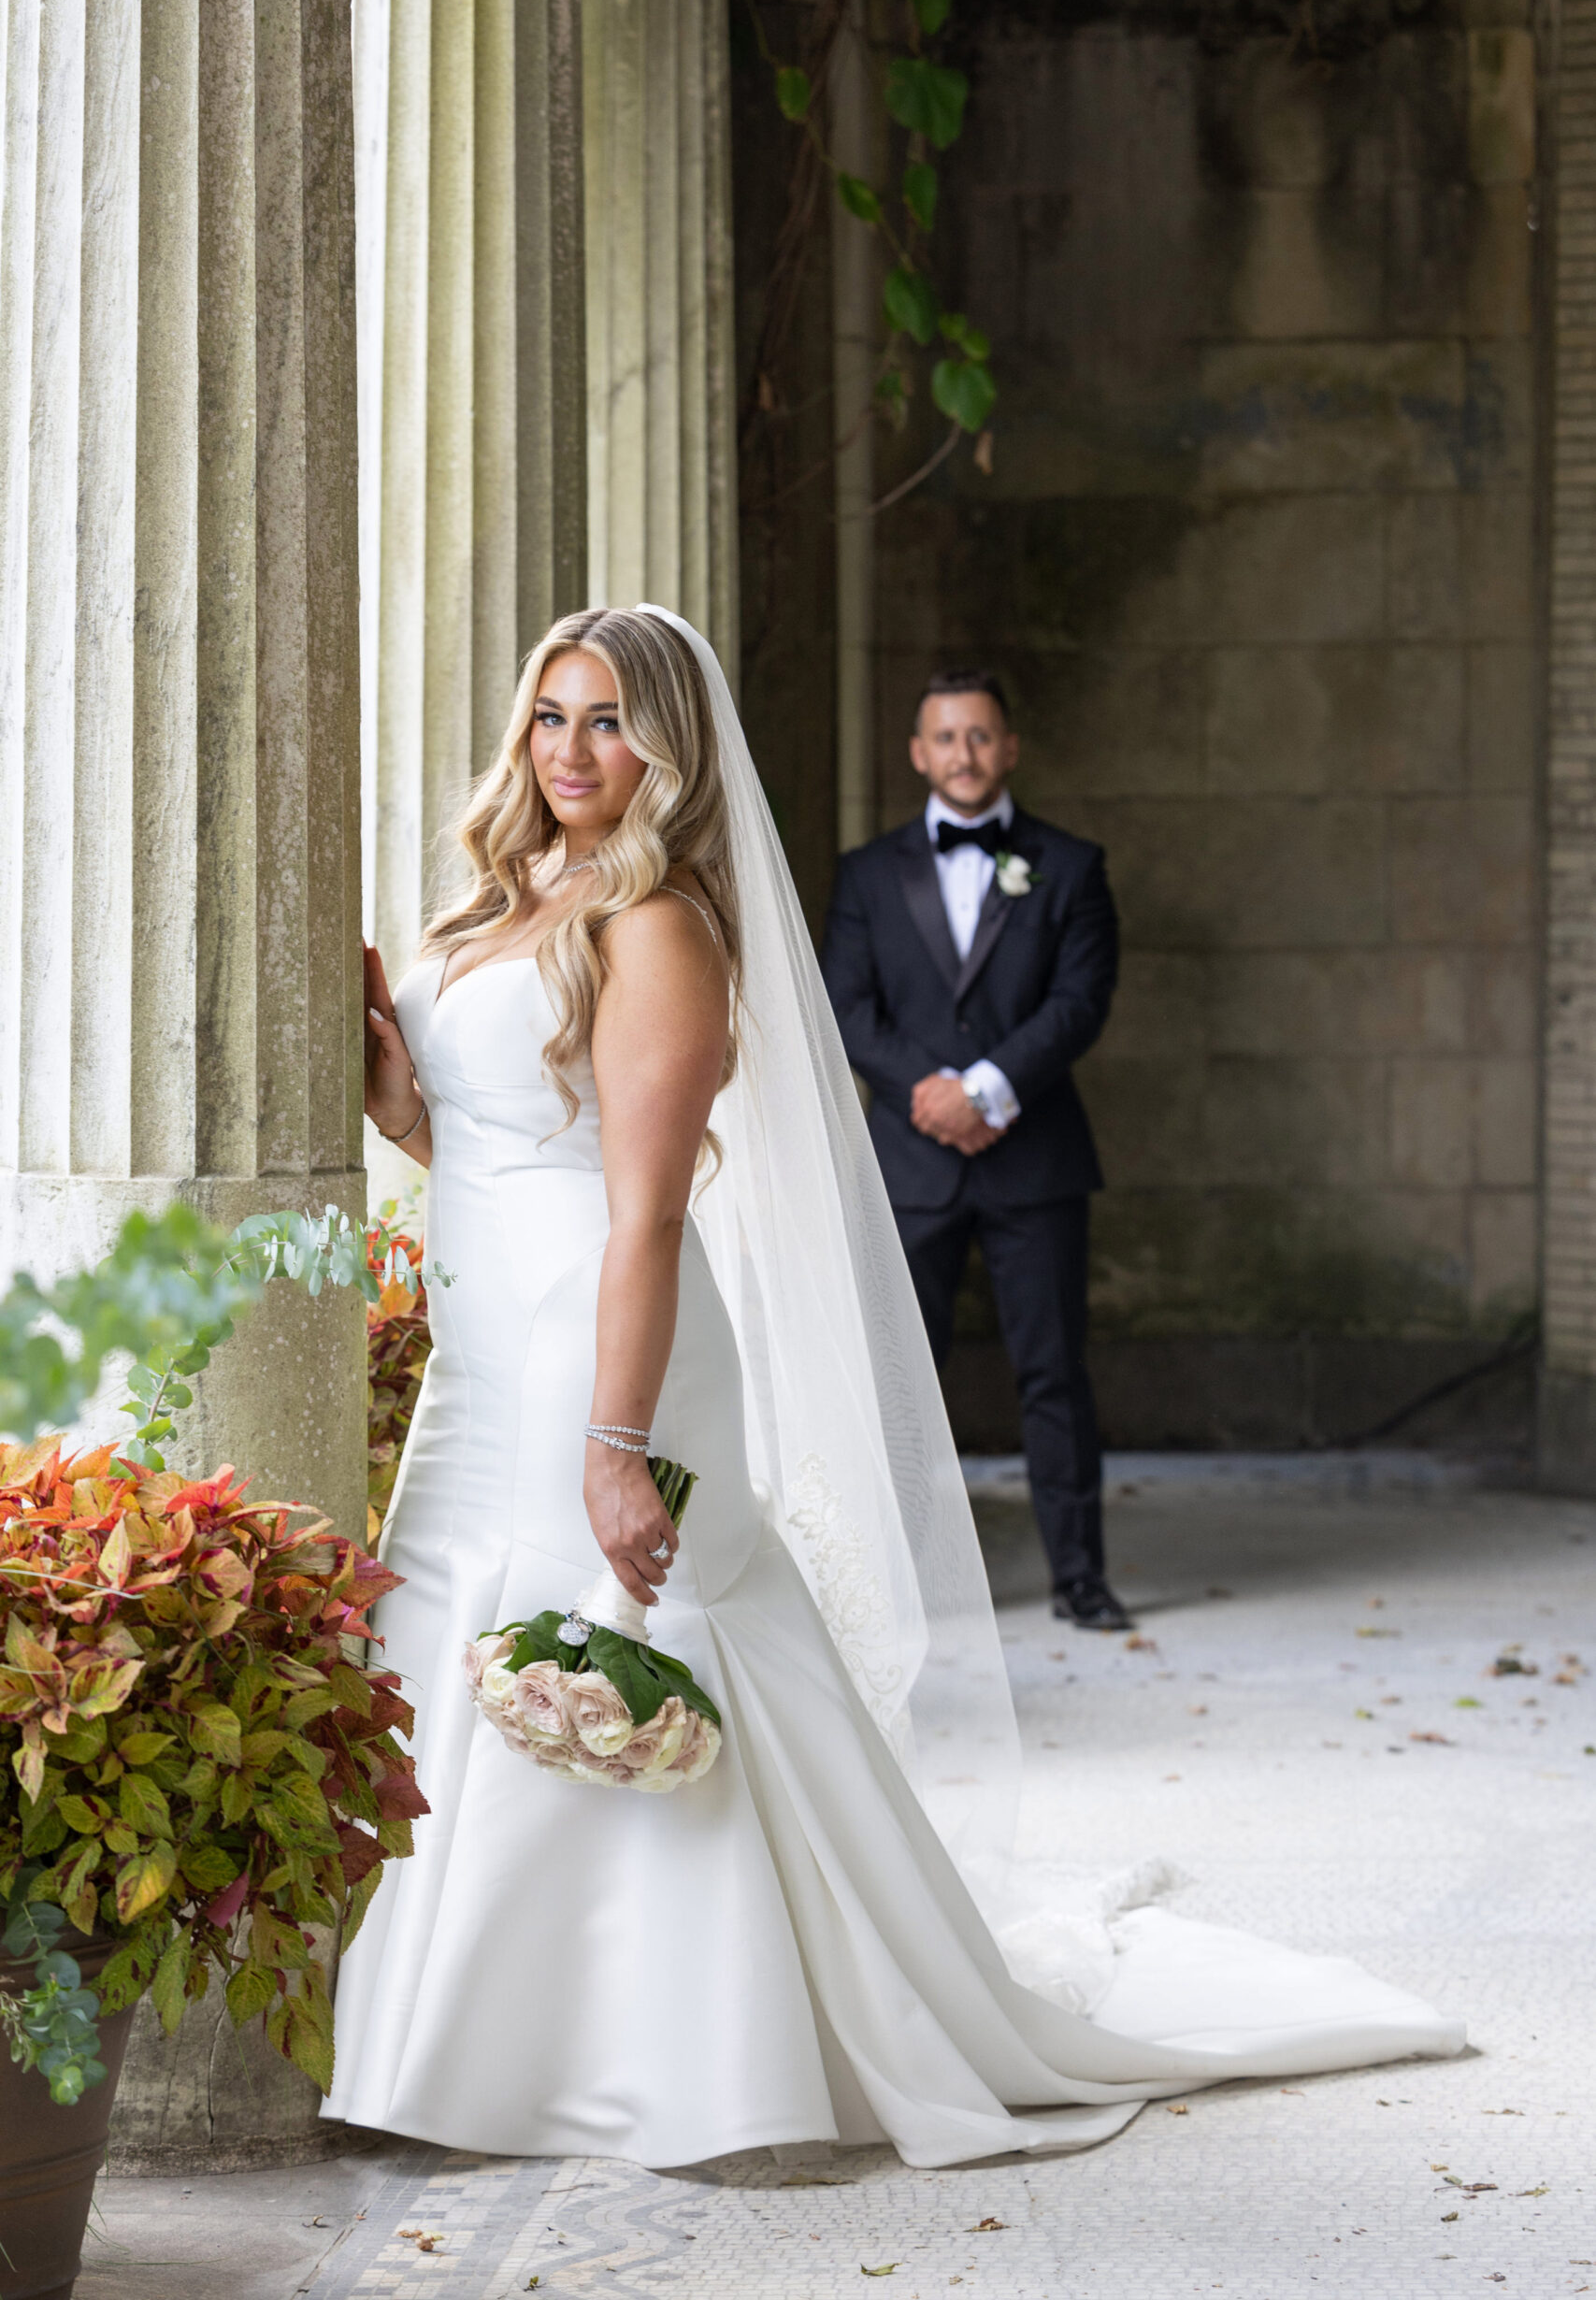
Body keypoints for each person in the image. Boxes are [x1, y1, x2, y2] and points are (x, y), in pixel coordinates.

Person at [325, 605, 1461, 2171]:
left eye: (608, 722)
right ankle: (434, 2050)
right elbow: (511, 1150)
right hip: (480, 1346)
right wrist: (403, 1104)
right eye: (551, 718)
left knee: (603, 1646)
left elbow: (642, 1205)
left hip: (602, 1350)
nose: (574, 752)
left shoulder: (658, 927)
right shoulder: (501, 903)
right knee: (458, 1647)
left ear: (664, 746)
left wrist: (614, 1442)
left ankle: (653, 2063)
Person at [821, 672, 1129, 1631]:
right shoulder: (867, 873)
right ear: (918, 752)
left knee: (1054, 1372)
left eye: (981, 736)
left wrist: (988, 1088)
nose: (964, 753)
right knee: (901, 1378)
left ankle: (1080, 1579)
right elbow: (848, 1007)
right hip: (910, 1164)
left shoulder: (1070, 865)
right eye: (946, 738)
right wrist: (931, 1094)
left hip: (1033, 1159)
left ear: (1011, 747)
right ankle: (894, 1584)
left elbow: (1080, 1002)